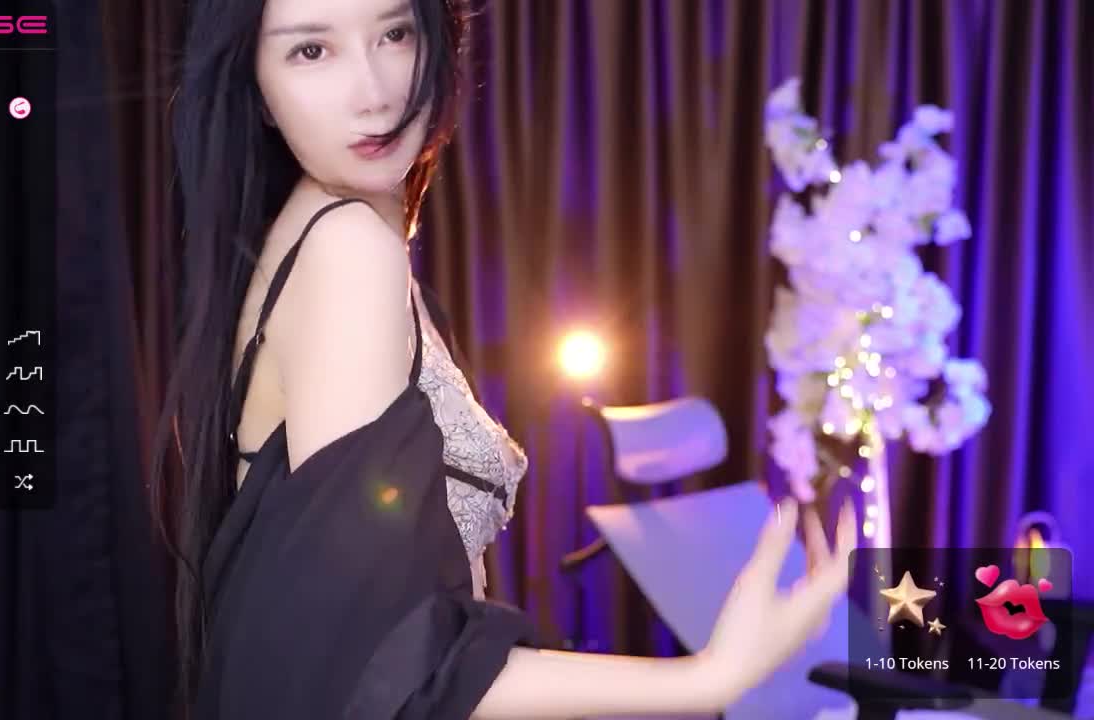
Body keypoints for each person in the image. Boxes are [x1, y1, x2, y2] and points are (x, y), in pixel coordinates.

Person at [151, 0, 859, 717]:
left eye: (394, 34)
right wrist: (708, 679)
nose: (373, 91)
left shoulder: (321, 236)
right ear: (257, 89)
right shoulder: (345, 250)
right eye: (311, 51)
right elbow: (380, 664)